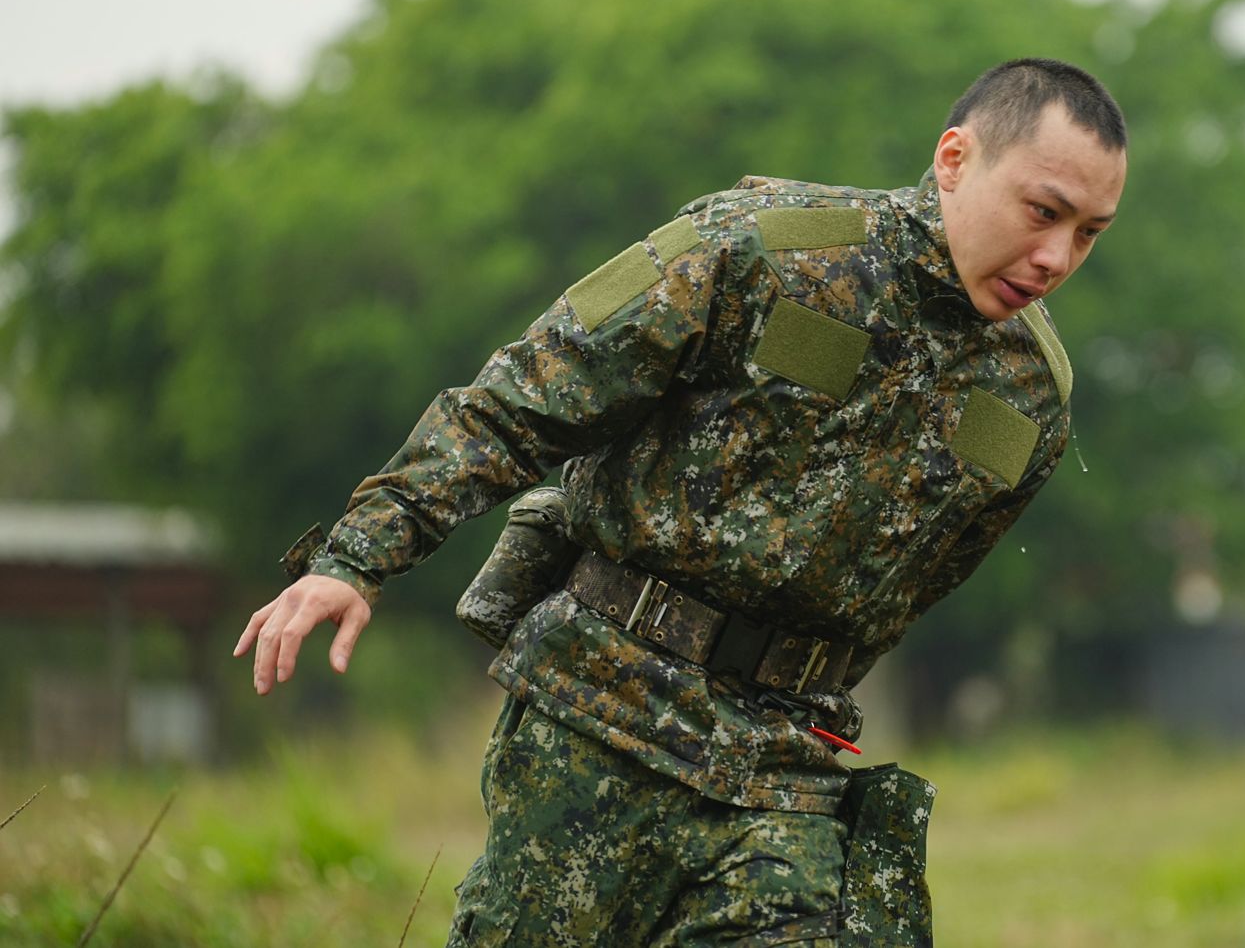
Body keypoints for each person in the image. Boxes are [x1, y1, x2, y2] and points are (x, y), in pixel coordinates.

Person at [234, 57, 1128, 945]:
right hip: (600, 722)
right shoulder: (764, 248)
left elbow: (916, 586)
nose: (1055, 258)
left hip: (784, 772)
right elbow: (526, 398)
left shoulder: (1029, 395)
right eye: (1042, 211)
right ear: (955, 158)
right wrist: (357, 558)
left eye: (1088, 233)